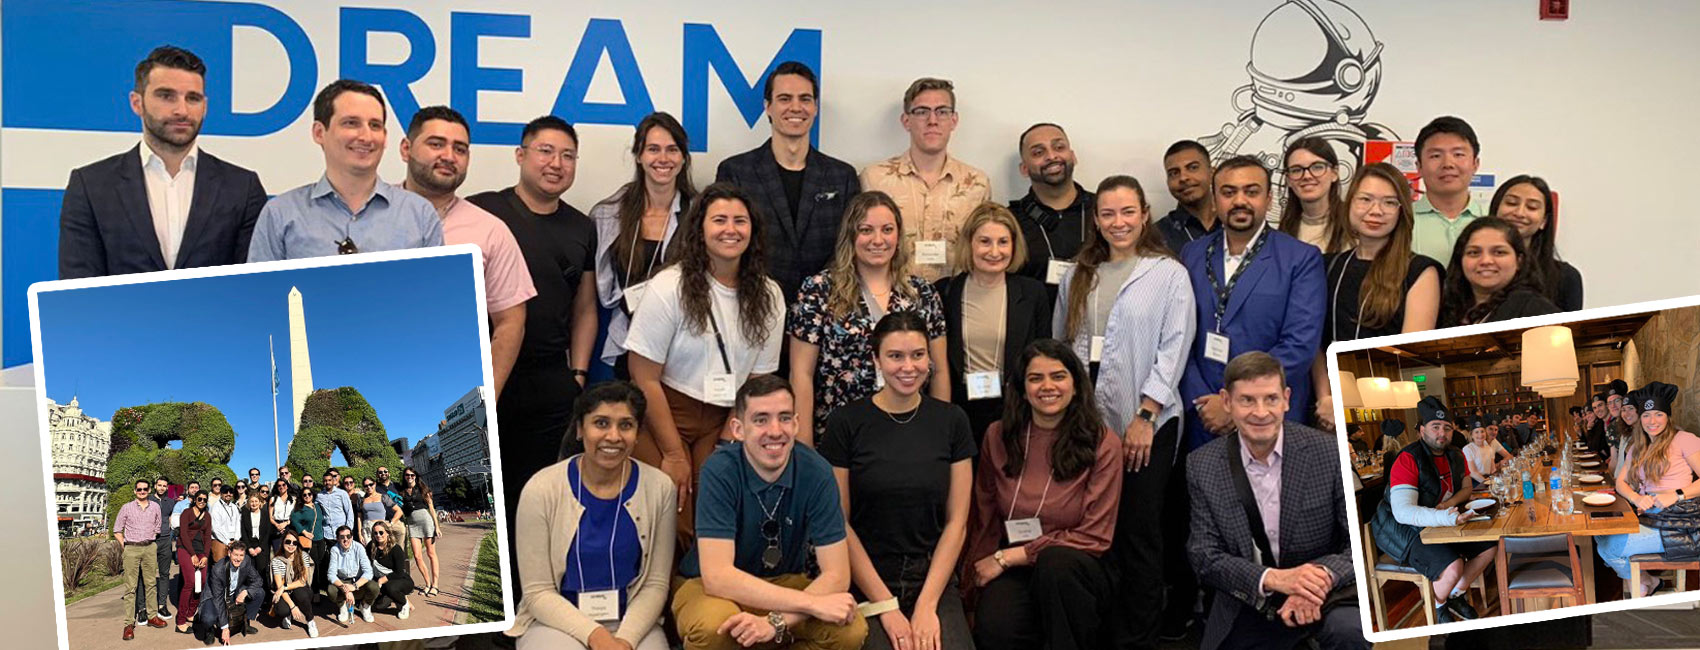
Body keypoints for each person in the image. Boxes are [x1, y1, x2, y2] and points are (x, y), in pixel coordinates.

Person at [1052, 175, 1194, 649]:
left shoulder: (1167, 273)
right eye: (1108, 214)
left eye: (1127, 212)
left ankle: (1138, 638)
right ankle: (1099, 628)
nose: (1118, 222)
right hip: (1089, 424)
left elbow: (1175, 347)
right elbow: (1062, 349)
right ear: (1096, 219)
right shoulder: (1077, 273)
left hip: (1146, 423)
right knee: (1093, 527)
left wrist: (1146, 415)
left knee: (1137, 531)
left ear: (1144, 214)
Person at [624, 182, 785, 546]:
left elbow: (760, 379)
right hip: (665, 413)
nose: (730, 229)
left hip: (727, 417)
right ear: (699, 229)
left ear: (753, 230)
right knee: (676, 507)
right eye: (720, 220)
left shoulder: (770, 294)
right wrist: (672, 453)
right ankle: (670, 596)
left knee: (716, 509)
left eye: (740, 221)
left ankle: (707, 591)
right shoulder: (669, 286)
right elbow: (643, 375)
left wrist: (731, 435)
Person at [671, 375, 867, 650]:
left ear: (797, 423)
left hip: (785, 582)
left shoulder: (817, 471)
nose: (775, 431)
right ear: (738, 429)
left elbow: (837, 574)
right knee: (714, 625)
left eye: (784, 418)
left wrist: (774, 622)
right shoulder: (719, 470)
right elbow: (717, 577)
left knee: (850, 630)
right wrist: (809, 605)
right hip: (712, 588)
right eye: (761, 419)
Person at [1186, 351, 1365, 650]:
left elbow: (1358, 542)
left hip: (1329, 595)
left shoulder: (1328, 453)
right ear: (1227, 402)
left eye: (1270, 399)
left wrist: (1315, 580)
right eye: (1247, 400)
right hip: (1252, 597)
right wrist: (1275, 579)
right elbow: (1204, 556)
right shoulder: (1202, 465)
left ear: (1286, 399)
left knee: (1351, 632)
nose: (1260, 412)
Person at [821, 312, 977, 650]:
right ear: (876, 359)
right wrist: (886, 606)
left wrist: (926, 605)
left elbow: (957, 522)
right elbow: (839, 525)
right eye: (895, 356)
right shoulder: (846, 422)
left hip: (932, 576)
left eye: (918, 355)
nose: (909, 367)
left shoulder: (952, 421)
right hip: (867, 577)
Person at [963, 340, 1123, 650]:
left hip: (1078, 567)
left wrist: (1012, 556)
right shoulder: (998, 435)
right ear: (1022, 389)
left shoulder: (1103, 443)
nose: (1047, 386)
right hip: (1013, 564)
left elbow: (1095, 536)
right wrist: (973, 578)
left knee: (1056, 565)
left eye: (1058, 376)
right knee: (995, 628)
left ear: (1076, 386)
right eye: (1035, 378)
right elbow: (984, 514)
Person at [59, 45, 266, 279]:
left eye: (193, 98)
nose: (182, 110)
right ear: (137, 103)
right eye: (166, 96)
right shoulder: (91, 186)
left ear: (205, 107)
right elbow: (78, 292)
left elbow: (251, 290)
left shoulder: (242, 188)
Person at [469, 115, 600, 466]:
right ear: (520, 155)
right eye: (545, 151)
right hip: (487, 369)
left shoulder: (583, 226)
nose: (556, 164)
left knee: (533, 486)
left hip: (550, 379)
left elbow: (585, 307)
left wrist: (579, 374)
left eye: (568, 155)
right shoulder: (480, 210)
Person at [508, 382, 676, 650]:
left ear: (638, 433)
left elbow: (655, 584)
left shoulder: (660, 488)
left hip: (632, 622)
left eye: (626, 425)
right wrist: (597, 637)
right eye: (601, 423)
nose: (613, 436)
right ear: (579, 429)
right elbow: (537, 592)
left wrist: (625, 642)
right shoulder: (541, 489)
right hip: (555, 621)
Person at [1181, 155, 1325, 452]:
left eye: (1252, 191)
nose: (1240, 200)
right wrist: (1203, 401)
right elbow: (1178, 337)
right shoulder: (1191, 254)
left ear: (1269, 198)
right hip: (1203, 414)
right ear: (1215, 197)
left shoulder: (1300, 259)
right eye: (1229, 192)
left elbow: (1299, 343)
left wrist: (1237, 404)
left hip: (1268, 418)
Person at [401, 105, 537, 401]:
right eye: (436, 144)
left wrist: (485, 400)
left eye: (460, 149)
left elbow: (510, 323)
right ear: (406, 149)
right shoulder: (370, 215)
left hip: (448, 395)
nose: (449, 156)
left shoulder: (490, 231)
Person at [789, 191, 949, 441]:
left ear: (898, 235)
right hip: (838, 436)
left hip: (910, 434)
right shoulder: (819, 290)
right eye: (866, 230)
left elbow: (938, 371)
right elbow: (801, 374)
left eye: (887, 229)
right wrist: (804, 446)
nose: (878, 240)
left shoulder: (923, 294)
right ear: (850, 235)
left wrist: (940, 436)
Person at [247, 79, 442, 260]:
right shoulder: (281, 214)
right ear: (319, 132)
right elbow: (260, 294)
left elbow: (437, 294)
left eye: (375, 125)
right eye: (351, 123)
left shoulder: (420, 214)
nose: (366, 136)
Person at [715, 61, 860, 304]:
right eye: (784, 98)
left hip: (826, 310)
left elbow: (849, 250)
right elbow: (724, 247)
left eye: (805, 99)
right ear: (768, 107)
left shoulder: (842, 176)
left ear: (815, 108)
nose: (796, 107)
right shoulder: (736, 172)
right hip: (752, 306)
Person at [1310, 163, 1441, 429]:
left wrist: (1359, 408)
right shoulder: (1326, 265)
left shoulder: (1420, 271)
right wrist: (1326, 397)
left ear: (1402, 211)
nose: (1376, 211)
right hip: (1325, 408)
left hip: (1386, 408)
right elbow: (1314, 341)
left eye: (1389, 202)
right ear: (1349, 205)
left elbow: (1407, 351)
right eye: (1365, 199)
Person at [1369, 396, 1496, 623]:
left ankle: (1453, 594)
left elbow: (1467, 488)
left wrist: (1447, 505)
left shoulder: (1455, 455)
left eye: (1447, 428)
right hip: (1401, 529)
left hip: (1438, 521)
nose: (1442, 433)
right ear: (1421, 430)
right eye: (1435, 427)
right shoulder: (1408, 458)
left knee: (1489, 547)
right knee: (1453, 566)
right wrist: (1445, 516)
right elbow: (1403, 512)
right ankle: (1439, 607)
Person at [592, 112, 697, 377]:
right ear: (639, 155)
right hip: (623, 341)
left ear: (683, 158)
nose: (663, 159)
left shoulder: (700, 216)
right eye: (653, 149)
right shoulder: (608, 215)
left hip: (682, 347)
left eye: (672, 150)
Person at [859, 77, 992, 282]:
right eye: (922, 112)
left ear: (954, 120)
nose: (932, 120)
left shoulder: (977, 183)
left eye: (942, 111)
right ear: (906, 121)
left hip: (956, 300)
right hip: (893, 298)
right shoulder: (874, 179)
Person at [936, 203, 1053, 438]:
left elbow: (1043, 355)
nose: (994, 251)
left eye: (1003, 242)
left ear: (1014, 245)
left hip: (1016, 410)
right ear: (969, 243)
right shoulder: (945, 292)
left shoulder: (1032, 293)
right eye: (985, 241)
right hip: (961, 410)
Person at [1598, 382, 1700, 596]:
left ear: (1667, 417)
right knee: (1600, 534)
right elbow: (1621, 483)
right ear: (1640, 418)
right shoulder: (1638, 446)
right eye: (1646, 415)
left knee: (1608, 547)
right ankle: (1646, 582)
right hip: (1651, 516)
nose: (1652, 421)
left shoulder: (1684, 439)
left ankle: (1641, 588)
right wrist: (1636, 498)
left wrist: (1677, 494)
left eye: (1658, 414)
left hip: (1679, 524)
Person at [1007, 123, 1094, 301]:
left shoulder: (1104, 210)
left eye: (1059, 147)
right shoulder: (1010, 221)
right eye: (1038, 152)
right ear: (1024, 169)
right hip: (1037, 326)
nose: (1052, 156)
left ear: (1073, 156)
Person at [1437, 217, 1561, 327]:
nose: (1485, 261)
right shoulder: (1446, 309)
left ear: (1519, 261)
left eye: (1499, 252)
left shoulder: (1537, 311)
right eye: (1474, 253)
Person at [1489, 175, 1583, 311]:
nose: (1519, 213)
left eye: (1532, 207)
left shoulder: (1566, 277)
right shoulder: (1474, 267)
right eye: (1511, 203)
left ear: (1544, 221)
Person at [1410, 116, 1488, 267]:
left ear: (1475, 164)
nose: (1448, 164)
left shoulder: (1493, 219)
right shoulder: (1401, 221)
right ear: (1419, 166)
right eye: (1436, 156)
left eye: (1458, 154)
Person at [115, 479, 171, 640]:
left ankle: (153, 616)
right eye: (139, 489)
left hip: (149, 547)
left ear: (148, 490)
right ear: (134, 491)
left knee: (151, 583)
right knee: (131, 587)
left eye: (145, 489)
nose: (142, 491)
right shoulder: (126, 507)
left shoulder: (155, 507)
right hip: (131, 548)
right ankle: (128, 623)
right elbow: (117, 530)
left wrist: (150, 538)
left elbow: (158, 526)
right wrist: (125, 546)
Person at [1275, 137, 1351, 254]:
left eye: (1317, 167)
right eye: (1296, 170)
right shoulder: (1282, 232)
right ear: (1288, 180)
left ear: (1334, 173)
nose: (1307, 176)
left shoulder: (1354, 225)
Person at [1155, 140, 1219, 255]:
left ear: (1212, 173)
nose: (1183, 177)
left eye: (1193, 168)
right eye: (1174, 173)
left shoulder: (1236, 221)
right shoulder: (1157, 236)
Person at [195, 540, 264, 644]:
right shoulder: (218, 569)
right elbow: (218, 599)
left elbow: (258, 580)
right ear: (229, 553)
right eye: (235, 554)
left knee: (259, 593)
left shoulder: (246, 561)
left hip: (234, 592)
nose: (238, 558)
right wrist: (225, 627)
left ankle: (245, 623)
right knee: (208, 617)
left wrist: (246, 592)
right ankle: (209, 630)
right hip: (215, 596)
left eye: (241, 555)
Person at [400, 468, 443, 597]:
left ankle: (435, 585)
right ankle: (427, 583)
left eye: (412, 475)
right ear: (404, 477)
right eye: (407, 475)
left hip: (426, 522)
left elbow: (432, 509)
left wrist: (437, 526)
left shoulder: (424, 490)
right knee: (418, 556)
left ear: (416, 476)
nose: (410, 477)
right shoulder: (402, 492)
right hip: (412, 525)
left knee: (431, 554)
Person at [326, 525, 381, 624]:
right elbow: (331, 574)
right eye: (342, 537)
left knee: (374, 587)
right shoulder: (335, 550)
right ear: (337, 539)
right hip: (343, 581)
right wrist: (346, 590)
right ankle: (342, 606)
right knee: (331, 590)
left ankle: (365, 606)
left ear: (352, 537)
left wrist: (354, 586)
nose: (345, 540)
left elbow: (368, 572)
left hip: (358, 581)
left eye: (348, 536)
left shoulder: (359, 547)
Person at [174, 489, 212, 633]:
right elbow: (183, 533)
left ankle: (191, 612)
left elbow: (208, 537)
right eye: (199, 499)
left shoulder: (207, 516)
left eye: (204, 499)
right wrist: (192, 554)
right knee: (190, 582)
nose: (202, 501)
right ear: (194, 500)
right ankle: (181, 620)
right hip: (185, 548)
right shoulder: (186, 513)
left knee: (201, 583)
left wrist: (205, 556)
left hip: (201, 550)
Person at [269, 534, 319, 637]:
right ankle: (288, 614)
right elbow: (279, 586)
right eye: (288, 542)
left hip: (300, 589)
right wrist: (292, 607)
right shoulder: (277, 561)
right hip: (285, 593)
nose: (291, 545)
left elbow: (302, 580)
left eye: (294, 542)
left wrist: (284, 587)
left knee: (300, 592)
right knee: (282, 610)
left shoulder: (303, 556)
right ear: (282, 543)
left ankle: (310, 620)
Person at [367, 525, 415, 619]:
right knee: (379, 606)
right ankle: (399, 598)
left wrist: (382, 580)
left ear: (387, 533)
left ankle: (404, 604)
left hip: (399, 579)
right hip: (382, 582)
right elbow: (367, 566)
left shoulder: (395, 549)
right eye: (375, 533)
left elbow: (399, 572)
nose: (378, 535)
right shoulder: (371, 547)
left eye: (381, 532)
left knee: (390, 588)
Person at [289, 486, 328, 597]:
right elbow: (294, 520)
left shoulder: (317, 506)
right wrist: (304, 532)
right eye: (304, 495)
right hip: (310, 541)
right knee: (314, 565)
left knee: (320, 564)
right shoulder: (300, 508)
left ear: (313, 495)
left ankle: (319, 587)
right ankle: (315, 592)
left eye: (309, 494)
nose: (307, 496)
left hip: (320, 538)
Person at [237, 490, 273, 599]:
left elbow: (268, 532)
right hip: (249, 545)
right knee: (250, 572)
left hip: (261, 546)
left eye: (256, 501)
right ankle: (251, 596)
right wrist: (249, 548)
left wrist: (260, 547)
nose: (254, 504)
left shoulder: (265, 514)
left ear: (260, 502)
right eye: (251, 501)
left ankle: (265, 598)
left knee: (262, 571)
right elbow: (243, 532)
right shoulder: (245, 514)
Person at [1462, 421, 1512, 487]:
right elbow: (1473, 472)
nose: (1480, 434)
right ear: (1472, 435)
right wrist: (1487, 483)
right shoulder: (1468, 449)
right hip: (1475, 483)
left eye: (1482, 431)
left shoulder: (1489, 448)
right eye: (1477, 432)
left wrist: (1500, 479)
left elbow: (1493, 470)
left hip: (1488, 479)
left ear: (1485, 433)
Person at [359, 478, 401, 545]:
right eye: (366, 486)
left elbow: (399, 511)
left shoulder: (383, 497)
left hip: (380, 528)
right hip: (367, 529)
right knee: (370, 551)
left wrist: (391, 523)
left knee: (384, 549)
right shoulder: (362, 500)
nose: (369, 487)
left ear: (375, 484)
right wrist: (359, 533)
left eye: (371, 484)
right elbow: (359, 517)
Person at [209, 484, 241, 564]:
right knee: (220, 566)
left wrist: (236, 539)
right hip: (220, 541)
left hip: (234, 540)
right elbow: (215, 527)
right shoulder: (216, 507)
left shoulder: (234, 507)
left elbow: (238, 524)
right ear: (221, 494)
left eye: (230, 492)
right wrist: (226, 541)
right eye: (225, 492)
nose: (228, 494)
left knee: (234, 565)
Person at [269, 479, 296, 552]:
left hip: (289, 526)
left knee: (289, 550)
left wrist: (286, 523)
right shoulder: (273, 499)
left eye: (283, 485)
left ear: (287, 486)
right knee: (277, 551)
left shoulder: (293, 499)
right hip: (276, 527)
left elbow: (296, 516)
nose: (281, 487)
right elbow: (270, 517)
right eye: (279, 485)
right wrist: (277, 525)